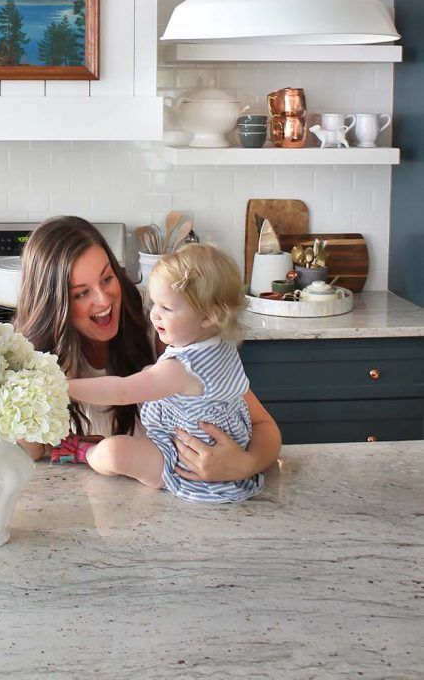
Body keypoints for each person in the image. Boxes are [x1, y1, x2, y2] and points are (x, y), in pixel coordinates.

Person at [15, 215, 281, 482]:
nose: (103, 299)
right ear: (54, 305)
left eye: (107, 278)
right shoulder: (38, 359)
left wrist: (244, 465)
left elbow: (265, 427)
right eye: (81, 293)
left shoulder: (170, 327)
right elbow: (33, 452)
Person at [68, 243, 265, 502]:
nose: (154, 315)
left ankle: (82, 452)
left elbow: (123, 389)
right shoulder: (220, 346)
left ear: (207, 316)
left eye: (166, 309)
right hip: (225, 455)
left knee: (111, 453)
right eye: (155, 304)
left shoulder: (180, 369)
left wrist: (64, 386)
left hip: (183, 462)